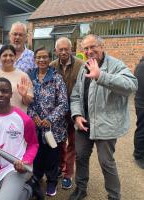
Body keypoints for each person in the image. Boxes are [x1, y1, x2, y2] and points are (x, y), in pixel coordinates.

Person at [69, 34, 138, 200]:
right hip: (84, 123)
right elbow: (76, 95)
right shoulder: (83, 67)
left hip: (106, 125)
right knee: (81, 157)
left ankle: (114, 196)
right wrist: (77, 115)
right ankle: (81, 188)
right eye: (86, 48)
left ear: (102, 46)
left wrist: (101, 76)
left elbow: (131, 86)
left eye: (93, 47)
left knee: (106, 162)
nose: (89, 51)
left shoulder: (115, 65)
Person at [0, 77, 39, 200]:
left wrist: (25, 161)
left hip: (16, 167)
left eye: (4, 91)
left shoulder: (23, 119)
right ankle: (27, 190)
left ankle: (27, 188)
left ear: (11, 94)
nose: (0, 94)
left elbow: (33, 144)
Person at [27, 47, 68, 198]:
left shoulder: (56, 77)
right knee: (36, 154)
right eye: (39, 57)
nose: (42, 60)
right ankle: (36, 177)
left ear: (49, 58)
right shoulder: (30, 76)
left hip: (53, 128)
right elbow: (27, 101)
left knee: (52, 155)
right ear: (35, 59)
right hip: (35, 125)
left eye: (45, 57)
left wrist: (49, 119)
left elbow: (64, 103)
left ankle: (51, 181)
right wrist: (34, 116)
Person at [50, 37, 84, 189]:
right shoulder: (51, 66)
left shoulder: (81, 65)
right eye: (60, 49)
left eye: (66, 49)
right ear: (56, 50)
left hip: (75, 112)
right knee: (59, 143)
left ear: (71, 49)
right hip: (58, 113)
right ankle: (59, 166)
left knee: (73, 143)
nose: (63, 52)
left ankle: (68, 174)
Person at [133, 56, 144, 169]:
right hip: (142, 104)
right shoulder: (141, 67)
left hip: (140, 102)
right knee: (142, 130)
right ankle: (138, 156)